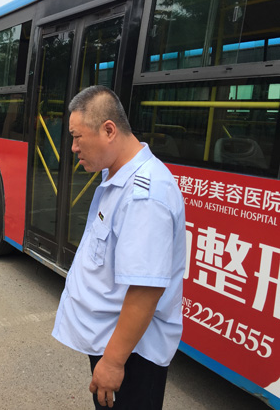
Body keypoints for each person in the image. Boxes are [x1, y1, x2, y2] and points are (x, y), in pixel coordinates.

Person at [52, 86, 186, 409]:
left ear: (109, 130)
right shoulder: (117, 174)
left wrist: (113, 361)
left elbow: (145, 290)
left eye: (77, 137)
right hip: (113, 343)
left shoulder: (145, 196)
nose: (73, 147)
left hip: (131, 355)